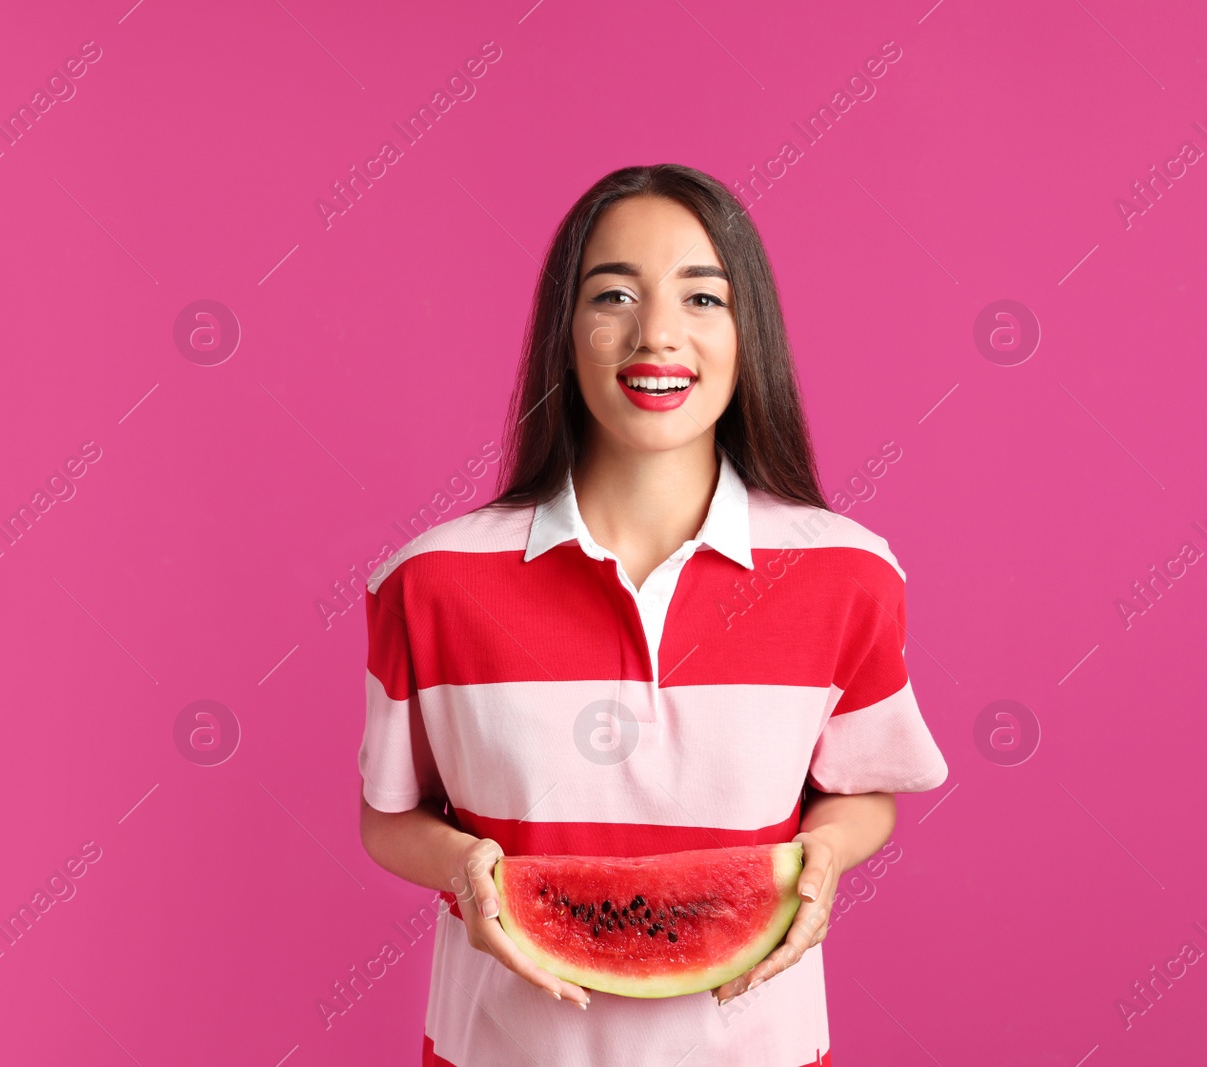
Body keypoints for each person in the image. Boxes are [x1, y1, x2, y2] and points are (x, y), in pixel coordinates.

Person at [356, 163, 948, 1066]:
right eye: (614, 295)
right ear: (566, 334)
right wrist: (462, 871)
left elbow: (864, 787)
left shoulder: (850, 570)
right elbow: (388, 814)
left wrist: (821, 856)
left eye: (703, 298)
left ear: (750, 331)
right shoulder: (430, 579)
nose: (657, 334)